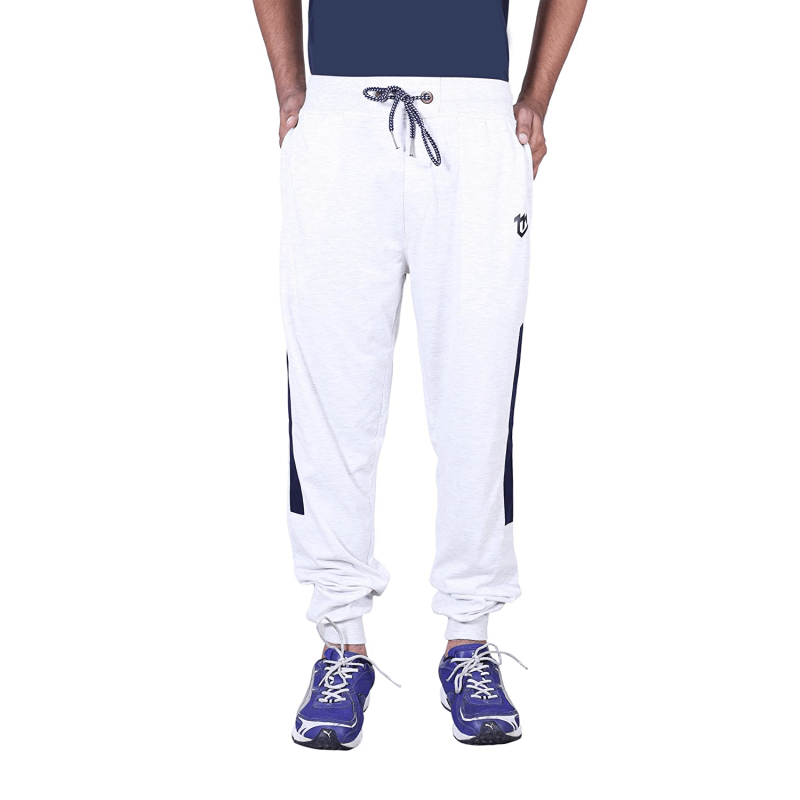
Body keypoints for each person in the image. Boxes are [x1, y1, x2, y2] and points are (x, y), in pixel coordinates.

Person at [253, 0, 586, 748]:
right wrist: (290, 87)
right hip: (340, 116)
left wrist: (536, 96)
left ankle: (469, 639)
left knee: (478, 390)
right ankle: (341, 640)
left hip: (474, 117)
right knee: (330, 390)